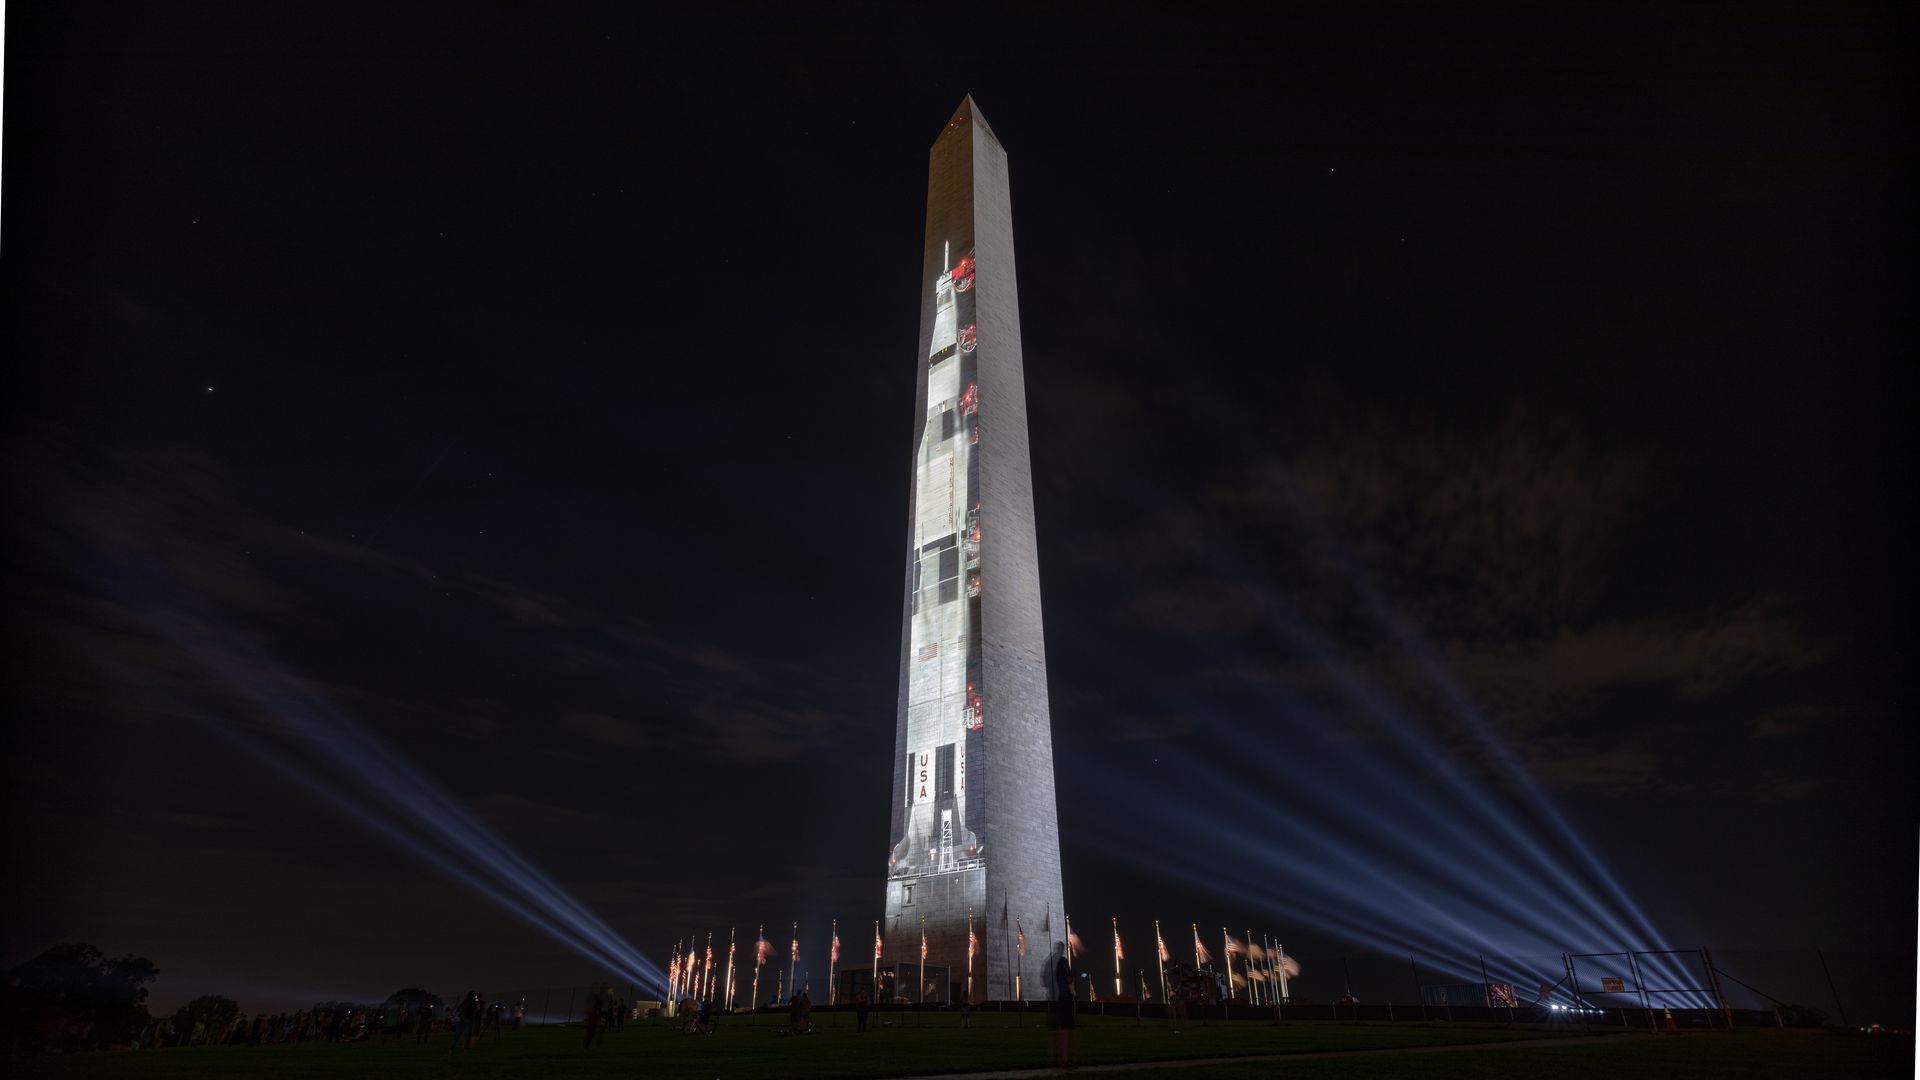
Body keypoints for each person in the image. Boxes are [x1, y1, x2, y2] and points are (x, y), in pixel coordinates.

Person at [1048, 941, 1076, 1069]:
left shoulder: (1049, 961)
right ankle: (1065, 1060)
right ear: (1062, 949)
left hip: (1051, 999)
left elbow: (1043, 980)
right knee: (1065, 1029)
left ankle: (1052, 1059)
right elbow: (1069, 979)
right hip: (1064, 997)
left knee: (1053, 1030)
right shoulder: (1063, 961)